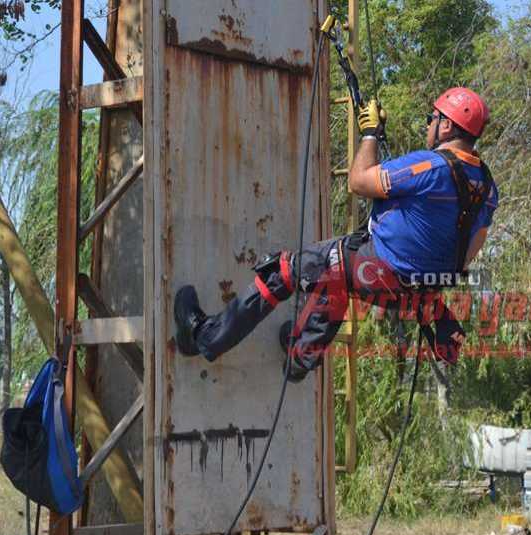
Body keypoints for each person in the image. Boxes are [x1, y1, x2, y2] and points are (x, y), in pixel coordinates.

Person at [173, 87, 498, 382]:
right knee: (337, 277)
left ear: (446, 126)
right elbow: (471, 249)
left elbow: (358, 182)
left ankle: (205, 338)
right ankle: (299, 359)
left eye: (433, 118)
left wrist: (369, 135)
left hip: (379, 270)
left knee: (283, 271)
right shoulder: (486, 186)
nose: (429, 125)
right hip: (414, 292)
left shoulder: (429, 166)